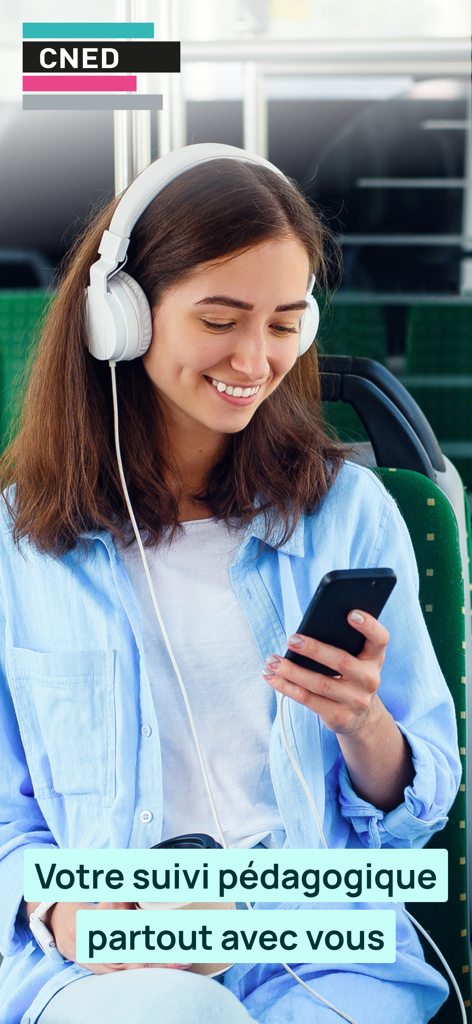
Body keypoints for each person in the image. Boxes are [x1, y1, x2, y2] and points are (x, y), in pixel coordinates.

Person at [0, 145, 461, 1024]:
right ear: (122, 318)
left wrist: (366, 725)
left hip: (320, 946)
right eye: (221, 318)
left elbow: (417, 811)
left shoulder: (349, 516)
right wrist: (66, 910)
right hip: (106, 956)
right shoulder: (18, 546)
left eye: (286, 322)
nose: (256, 358)